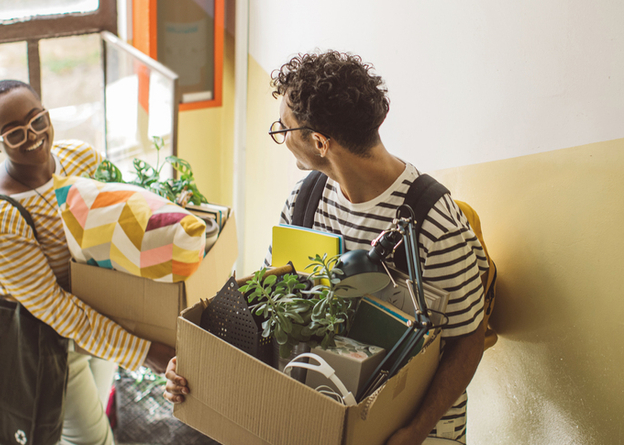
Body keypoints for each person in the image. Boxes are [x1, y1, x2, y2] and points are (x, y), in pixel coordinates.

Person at [164, 51, 487, 444]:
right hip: (321, 410)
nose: (281, 138)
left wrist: (415, 431)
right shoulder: (306, 201)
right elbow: (265, 305)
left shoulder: (430, 220)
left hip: (412, 428)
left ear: (319, 141)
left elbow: (469, 338)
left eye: (284, 129)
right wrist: (199, 364)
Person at [0, 80, 175, 445]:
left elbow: (126, 222)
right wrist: (146, 352)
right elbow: (56, 309)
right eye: (14, 133)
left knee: (91, 420)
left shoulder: (81, 159)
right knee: (91, 440)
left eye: (37, 120)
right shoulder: (1, 219)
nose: (33, 135)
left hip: (103, 322)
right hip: (50, 345)